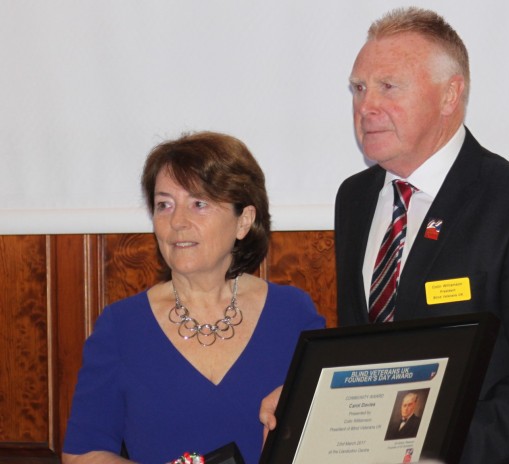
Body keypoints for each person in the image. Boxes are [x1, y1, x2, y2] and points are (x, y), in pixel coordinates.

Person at [262, 7, 509, 463]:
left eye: (388, 87)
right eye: (358, 88)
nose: (366, 106)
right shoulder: (355, 198)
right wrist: (307, 404)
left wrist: (442, 450)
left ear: (449, 95)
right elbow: (368, 354)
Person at [62, 131, 325, 464]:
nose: (177, 222)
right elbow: (83, 454)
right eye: (164, 205)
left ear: (243, 221)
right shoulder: (121, 326)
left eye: (199, 203)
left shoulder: (292, 314)